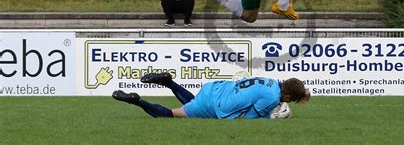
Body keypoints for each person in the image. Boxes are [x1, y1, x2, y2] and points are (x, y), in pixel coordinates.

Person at [112, 72, 310, 119]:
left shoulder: (269, 81)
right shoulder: (273, 98)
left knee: (195, 102)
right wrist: (273, 116)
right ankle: (137, 100)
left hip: (214, 88)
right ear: (288, 97)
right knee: (171, 114)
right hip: (217, 104)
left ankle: (168, 82)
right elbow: (251, 116)